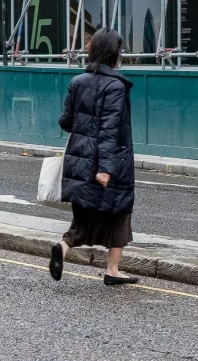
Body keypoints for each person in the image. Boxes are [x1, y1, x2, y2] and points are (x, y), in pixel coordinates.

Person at [48, 28, 138, 287]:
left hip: (79, 160)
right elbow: (110, 130)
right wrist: (106, 168)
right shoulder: (116, 86)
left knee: (83, 217)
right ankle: (112, 270)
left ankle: (62, 247)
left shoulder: (77, 82)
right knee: (120, 213)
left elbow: (65, 122)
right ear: (113, 54)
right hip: (109, 162)